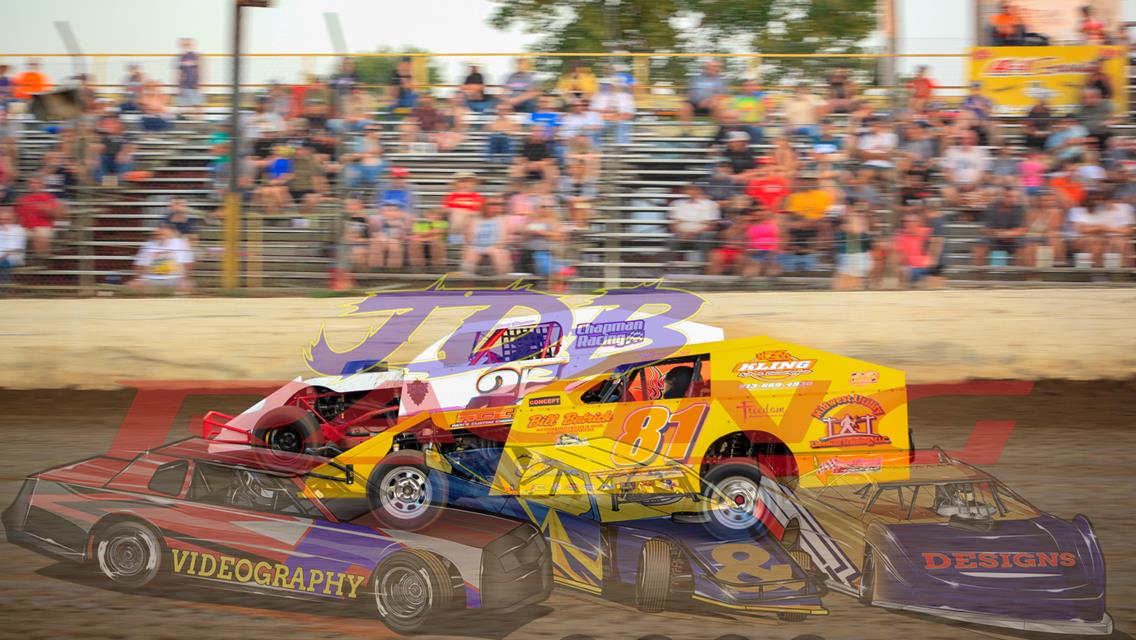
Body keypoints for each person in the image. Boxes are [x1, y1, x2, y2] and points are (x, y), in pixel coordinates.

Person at [972, 188, 1026, 266]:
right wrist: (1001, 234)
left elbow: (1021, 230)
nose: (1012, 199)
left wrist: (1008, 234)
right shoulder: (992, 207)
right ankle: (977, 275)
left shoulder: (1019, 209)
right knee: (980, 246)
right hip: (994, 238)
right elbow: (985, 229)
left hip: (1012, 240)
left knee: (1024, 245)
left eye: (1014, 197)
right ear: (1002, 197)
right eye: (1008, 196)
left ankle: (1021, 275)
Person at [15, 177, 65, 258]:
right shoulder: (22, 200)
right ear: (28, 185)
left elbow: (59, 215)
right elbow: (17, 217)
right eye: (31, 183)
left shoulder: (49, 198)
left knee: (40, 235)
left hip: (44, 227)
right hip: (26, 228)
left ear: (42, 185)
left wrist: (47, 209)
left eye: (36, 183)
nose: (33, 185)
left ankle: (42, 261)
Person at [668, 184, 720, 262]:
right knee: (671, 239)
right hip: (681, 233)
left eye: (694, 189)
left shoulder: (709, 204)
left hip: (701, 233)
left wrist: (694, 233)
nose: (691, 192)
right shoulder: (677, 203)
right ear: (684, 191)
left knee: (705, 238)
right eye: (688, 189)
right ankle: (668, 267)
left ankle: (704, 267)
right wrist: (682, 233)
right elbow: (673, 224)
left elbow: (711, 224)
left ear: (699, 191)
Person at [463, 197, 511, 275]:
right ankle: (467, 283)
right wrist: (477, 247)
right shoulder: (473, 219)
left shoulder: (502, 220)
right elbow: (467, 237)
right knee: (469, 254)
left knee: (499, 254)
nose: (494, 207)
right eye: (490, 205)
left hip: (495, 247)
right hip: (475, 246)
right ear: (484, 206)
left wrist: (494, 247)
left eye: (497, 205)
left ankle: (503, 283)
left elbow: (504, 239)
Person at [833, 203, 873, 290]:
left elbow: (857, 231)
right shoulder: (848, 220)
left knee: (845, 287)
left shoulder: (857, 219)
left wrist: (852, 217)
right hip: (847, 256)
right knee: (842, 288)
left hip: (854, 256)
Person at [679, 60, 727, 127]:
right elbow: (688, 92)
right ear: (706, 67)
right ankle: (685, 132)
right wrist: (689, 99)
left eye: (718, 67)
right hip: (694, 103)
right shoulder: (695, 78)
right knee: (684, 107)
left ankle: (719, 130)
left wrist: (709, 100)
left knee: (717, 105)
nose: (716, 68)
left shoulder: (721, 80)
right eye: (714, 66)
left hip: (710, 103)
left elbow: (722, 95)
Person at [442, 171, 485, 244]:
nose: (465, 184)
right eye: (462, 181)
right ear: (456, 184)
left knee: (467, 215)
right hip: (455, 229)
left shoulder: (478, 197)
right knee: (456, 214)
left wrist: (465, 213)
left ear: (473, 184)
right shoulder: (451, 197)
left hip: (472, 229)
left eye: (468, 181)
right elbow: (445, 212)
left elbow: (482, 213)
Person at [589, 79, 635, 145]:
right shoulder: (596, 97)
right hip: (602, 122)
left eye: (608, 85)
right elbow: (592, 111)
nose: (605, 87)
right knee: (594, 128)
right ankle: (596, 150)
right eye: (603, 85)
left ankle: (621, 148)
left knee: (622, 124)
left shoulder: (622, 97)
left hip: (616, 121)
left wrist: (605, 112)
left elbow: (627, 114)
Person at [0, 207, 27, 285]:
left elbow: (11, 249)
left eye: (6, 219)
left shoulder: (19, 230)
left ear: (12, 218)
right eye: (1, 219)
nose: (3, 222)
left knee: (2, 262)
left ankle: (3, 288)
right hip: (2, 257)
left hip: (12, 257)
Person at [175, 38, 203, 110]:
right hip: (184, 85)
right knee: (181, 107)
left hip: (193, 85)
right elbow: (179, 73)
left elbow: (200, 70)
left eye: (187, 44)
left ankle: (198, 119)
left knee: (197, 106)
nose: (185, 46)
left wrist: (199, 84)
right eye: (184, 45)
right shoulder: (181, 57)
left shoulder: (196, 56)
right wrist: (178, 87)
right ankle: (183, 118)